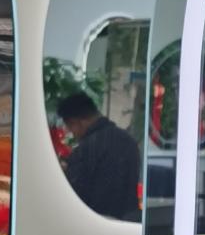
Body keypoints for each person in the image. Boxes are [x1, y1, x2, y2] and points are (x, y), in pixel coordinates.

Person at [56, 89, 142, 222]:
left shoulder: (86, 149)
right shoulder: (128, 141)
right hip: (128, 223)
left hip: (96, 223)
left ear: (78, 122)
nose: (71, 133)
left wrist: (63, 172)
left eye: (70, 127)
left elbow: (72, 194)